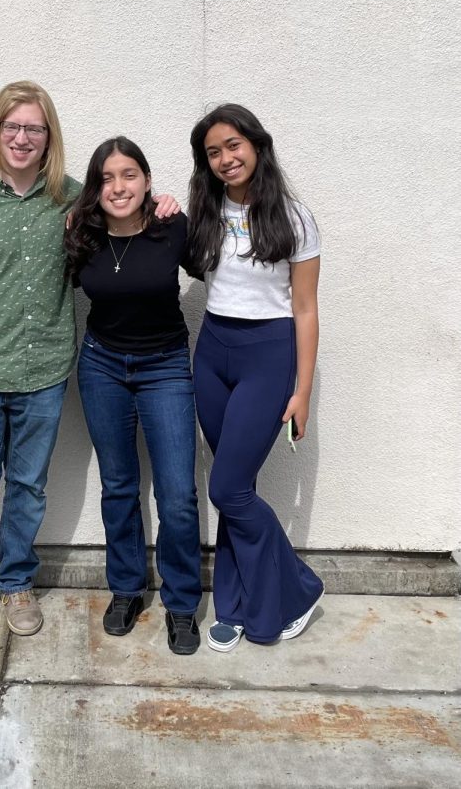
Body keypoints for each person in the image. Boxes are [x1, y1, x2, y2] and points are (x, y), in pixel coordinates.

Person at [0, 82, 179, 637]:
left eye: (34, 129)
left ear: (49, 139)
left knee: (27, 484)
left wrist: (165, 202)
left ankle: (17, 581)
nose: (22, 139)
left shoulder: (72, 201)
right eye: (12, 127)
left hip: (43, 368)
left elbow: (129, 216)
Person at [186, 104, 324, 651]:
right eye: (213, 152)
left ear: (257, 145)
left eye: (233, 145)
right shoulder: (206, 210)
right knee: (234, 486)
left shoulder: (295, 217)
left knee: (227, 488)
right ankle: (235, 604)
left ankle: (298, 587)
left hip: (267, 354)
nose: (225, 158)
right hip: (212, 350)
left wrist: (303, 390)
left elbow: (307, 310)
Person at [65, 137, 202, 655]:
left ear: (146, 180)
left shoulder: (173, 228)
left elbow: (219, 271)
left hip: (165, 366)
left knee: (177, 495)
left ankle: (183, 603)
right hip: (102, 366)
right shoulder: (83, 237)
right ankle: (126, 589)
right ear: (95, 189)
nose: (118, 187)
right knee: (119, 487)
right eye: (106, 178)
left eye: (129, 175)